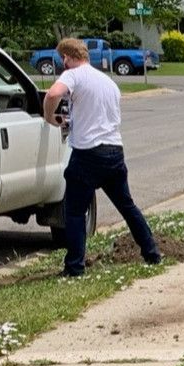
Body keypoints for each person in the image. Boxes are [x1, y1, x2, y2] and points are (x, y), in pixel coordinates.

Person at [41, 37, 160, 277]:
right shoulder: (108, 83)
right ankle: (151, 252)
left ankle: (75, 266)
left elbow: (53, 93)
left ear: (67, 57)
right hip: (114, 151)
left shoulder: (73, 75)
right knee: (127, 206)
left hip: (87, 153)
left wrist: (49, 116)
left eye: (62, 59)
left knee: (74, 212)